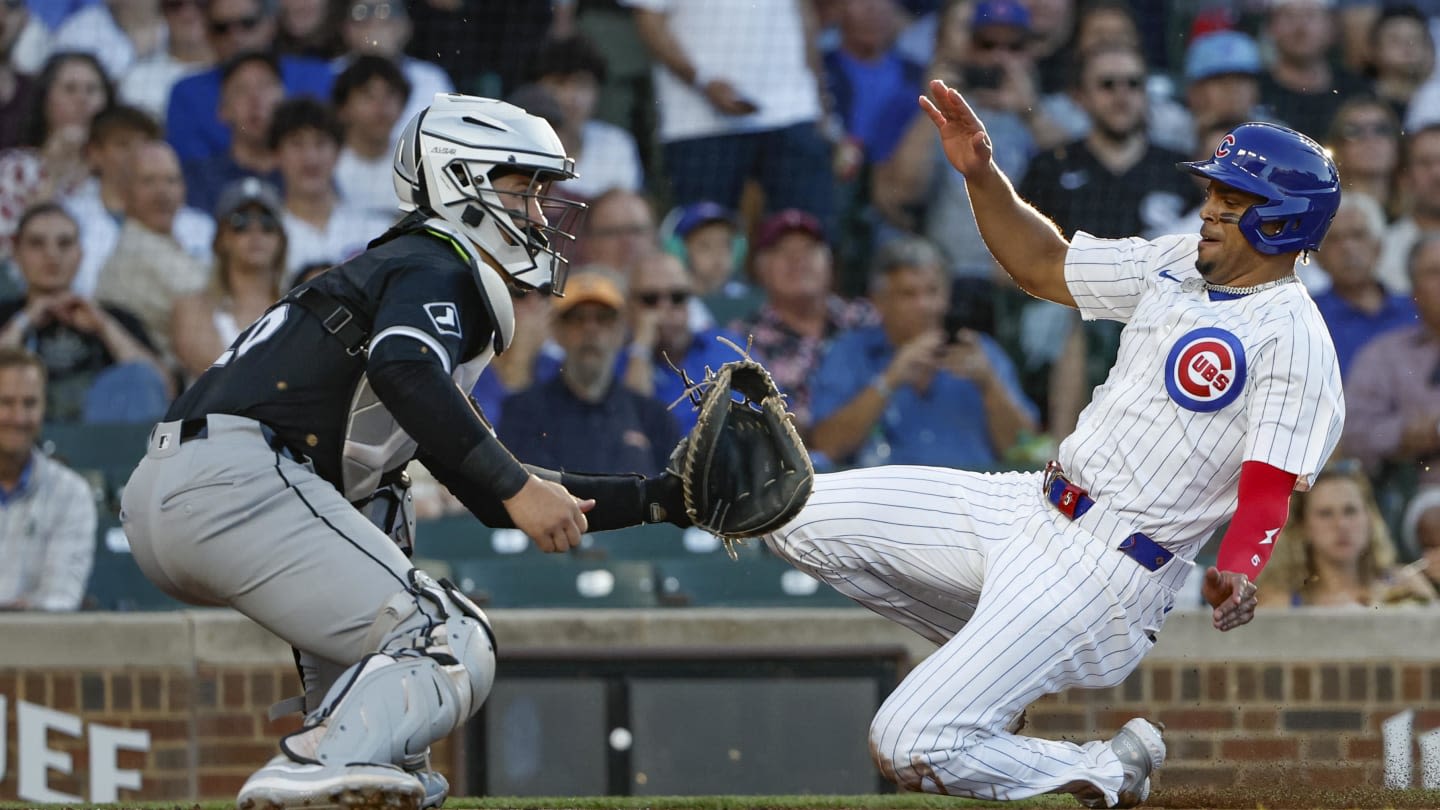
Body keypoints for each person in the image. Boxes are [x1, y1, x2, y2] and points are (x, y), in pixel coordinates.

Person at [755, 82, 1344, 807]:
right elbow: (1043, 264)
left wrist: (1240, 565)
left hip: (1107, 568)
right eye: (1217, 190)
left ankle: (1106, 769)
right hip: (1029, 504)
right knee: (784, 513)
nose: (1213, 207)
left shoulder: (1296, 337)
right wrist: (980, 174)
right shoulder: (1175, 260)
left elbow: (1269, 482)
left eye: (1237, 199)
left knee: (906, 743)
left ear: (1284, 222)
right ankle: (991, 670)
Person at [119, 94, 694, 810]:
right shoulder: (435, 260)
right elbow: (405, 371)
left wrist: (663, 499)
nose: (541, 216)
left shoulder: (410, 275)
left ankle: (331, 758)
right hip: (238, 479)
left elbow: (489, 486)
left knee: (392, 736)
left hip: (204, 488)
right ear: (462, 179)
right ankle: (307, 767)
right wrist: (518, 488)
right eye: (525, 189)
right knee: (447, 637)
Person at [807, 234, 1037, 470]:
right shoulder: (850, 352)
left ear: (947, 296)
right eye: (909, 294)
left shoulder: (981, 351)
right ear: (879, 301)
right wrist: (890, 379)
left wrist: (990, 385)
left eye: (932, 291)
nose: (924, 305)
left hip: (971, 499)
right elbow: (826, 445)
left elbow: (1026, 452)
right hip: (887, 501)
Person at [499, 269, 681, 477]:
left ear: (621, 331)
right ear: (557, 331)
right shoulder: (522, 413)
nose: (590, 329)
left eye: (603, 318)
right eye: (577, 318)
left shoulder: (654, 418)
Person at [0, 203, 169, 423]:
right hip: (16, 439)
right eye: (37, 243)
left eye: (64, 243)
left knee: (139, 376)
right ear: (16, 253)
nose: (52, 255)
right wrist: (24, 321)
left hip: (104, 446)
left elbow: (162, 387)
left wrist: (105, 327)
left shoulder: (115, 318)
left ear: (81, 253)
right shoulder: (5, 317)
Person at [1256, 462, 1436, 609]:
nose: (1341, 525)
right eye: (1325, 513)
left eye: (1350, 511)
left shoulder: (1407, 587)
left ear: (1369, 519)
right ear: (1303, 527)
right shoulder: (1278, 603)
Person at [0, 348, 96, 611]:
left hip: (33, 646)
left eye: (29, 403)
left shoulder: (71, 493)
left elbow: (61, 598)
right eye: (6, 403)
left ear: (43, 407)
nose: (18, 417)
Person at [171, 177, 288, 381]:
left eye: (267, 223)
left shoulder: (298, 308)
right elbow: (216, 374)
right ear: (222, 238)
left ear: (280, 239)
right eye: (240, 222)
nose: (255, 232)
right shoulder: (192, 308)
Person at [1310, 191, 1416, 379]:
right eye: (1335, 239)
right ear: (1319, 257)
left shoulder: (1416, 311)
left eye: (1358, 235)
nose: (1348, 248)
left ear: (1378, 247)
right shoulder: (1308, 317)